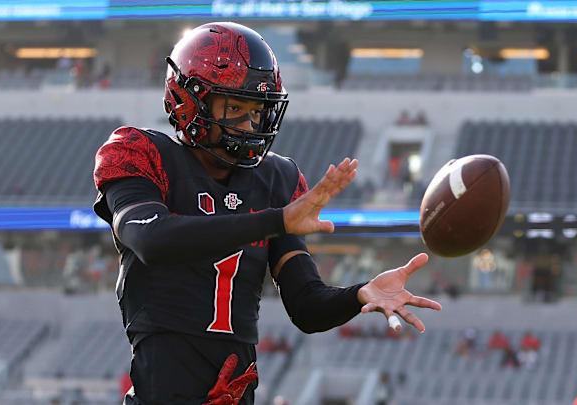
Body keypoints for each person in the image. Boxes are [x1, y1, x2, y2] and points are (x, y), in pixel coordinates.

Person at [92, 22, 441, 405]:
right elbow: (152, 239)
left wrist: (360, 294)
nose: (248, 124)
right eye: (236, 107)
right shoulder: (140, 152)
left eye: (257, 110)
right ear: (190, 100)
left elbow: (307, 306)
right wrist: (275, 221)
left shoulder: (277, 178)